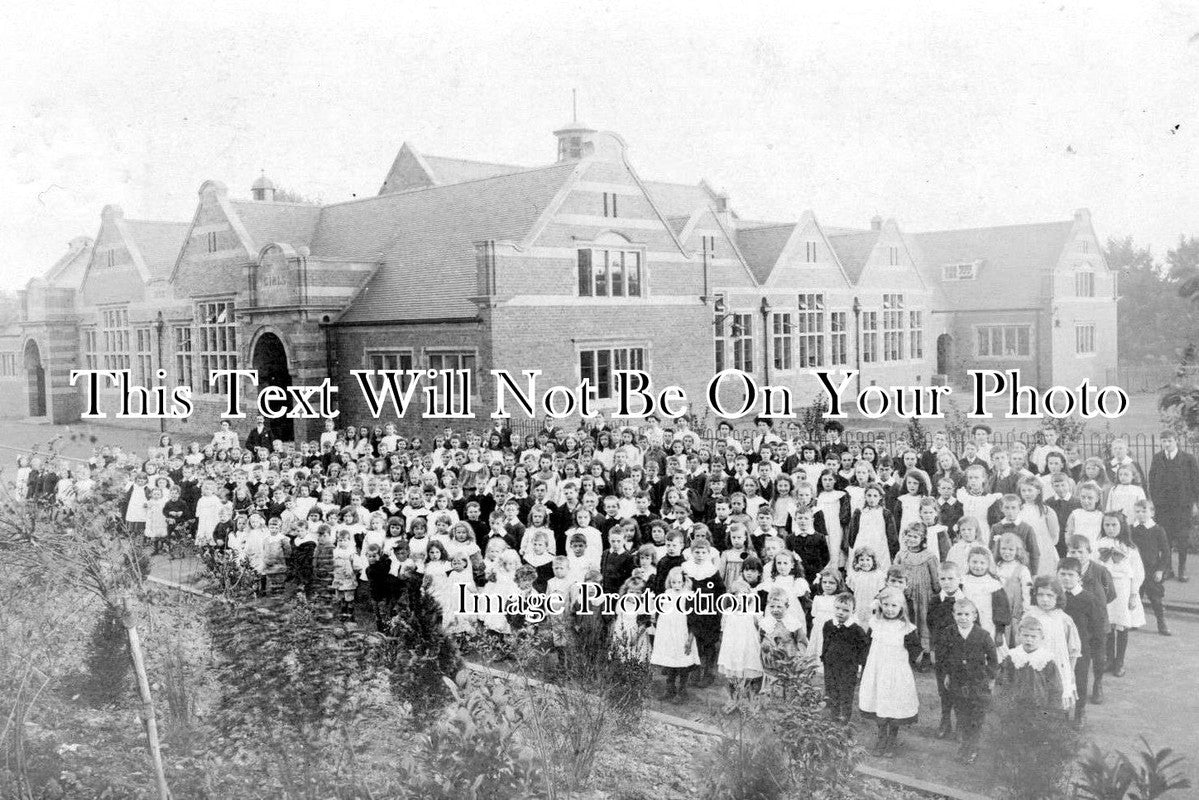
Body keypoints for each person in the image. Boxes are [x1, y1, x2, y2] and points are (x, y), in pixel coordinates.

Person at [858, 586, 921, 758]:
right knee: (879, 703)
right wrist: (863, 667)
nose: (890, 609)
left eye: (894, 605)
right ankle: (881, 738)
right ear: (880, 605)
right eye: (886, 605)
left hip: (896, 673)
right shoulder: (875, 624)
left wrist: (906, 666)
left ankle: (892, 739)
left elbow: (916, 652)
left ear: (901, 607)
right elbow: (867, 648)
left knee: (894, 705)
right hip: (877, 671)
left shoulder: (906, 628)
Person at [941, 597, 998, 763]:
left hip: (978, 684)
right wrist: (947, 674)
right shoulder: (949, 633)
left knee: (976, 717)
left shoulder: (983, 635)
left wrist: (989, 677)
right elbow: (944, 656)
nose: (963, 618)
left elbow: (993, 659)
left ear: (974, 616)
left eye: (967, 614)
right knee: (962, 715)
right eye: (959, 614)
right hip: (958, 682)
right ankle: (964, 746)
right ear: (953, 615)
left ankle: (972, 748)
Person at [1095, 512, 1145, 678]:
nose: (1110, 528)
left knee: (1122, 624)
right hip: (1104, 588)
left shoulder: (1130, 548)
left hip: (1123, 589)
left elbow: (1138, 573)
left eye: (1114, 525)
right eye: (1107, 525)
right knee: (1108, 624)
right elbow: (1093, 566)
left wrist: (1133, 594)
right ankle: (1109, 659)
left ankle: (1119, 662)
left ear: (1122, 526)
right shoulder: (1098, 544)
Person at [1057, 557, 1107, 721]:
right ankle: (1063, 713)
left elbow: (1097, 627)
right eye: (1062, 574)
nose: (1066, 578)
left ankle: (1080, 712)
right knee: (1060, 679)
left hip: (1081, 647)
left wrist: (1095, 649)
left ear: (1079, 577)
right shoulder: (1054, 597)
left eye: (1071, 575)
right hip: (1059, 645)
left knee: (1079, 679)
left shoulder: (1089, 599)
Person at [1147, 430, 1199, 582]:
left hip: (1183, 506)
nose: (1167, 444)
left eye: (1170, 440)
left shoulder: (1188, 459)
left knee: (1182, 538)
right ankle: (1167, 569)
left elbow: (1195, 482)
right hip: (1163, 507)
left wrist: (1195, 503)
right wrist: (1154, 500)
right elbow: (1152, 480)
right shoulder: (1157, 458)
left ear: (1176, 441)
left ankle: (1182, 570)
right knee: (1165, 539)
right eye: (1164, 441)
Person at [650, 566, 700, 703]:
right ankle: (669, 689)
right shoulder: (667, 594)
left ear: (684, 582)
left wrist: (690, 639)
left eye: (679, 582)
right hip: (669, 634)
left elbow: (693, 620)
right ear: (669, 582)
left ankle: (682, 691)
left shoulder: (688, 596)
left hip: (682, 634)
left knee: (683, 662)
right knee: (670, 662)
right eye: (673, 582)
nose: (676, 585)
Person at [821, 592, 868, 722]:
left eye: (846, 610)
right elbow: (826, 642)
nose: (840, 612)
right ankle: (834, 715)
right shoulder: (828, 625)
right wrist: (824, 657)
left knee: (846, 692)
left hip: (848, 667)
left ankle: (845, 716)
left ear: (853, 611)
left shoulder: (856, 630)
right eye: (838, 608)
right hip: (831, 665)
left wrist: (859, 667)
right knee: (832, 690)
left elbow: (863, 650)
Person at [716, 579, 765, 707]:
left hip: (748, 649)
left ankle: (747, 701)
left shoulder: (754, 613)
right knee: (732, 675)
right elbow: (724, 632)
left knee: (748, 674)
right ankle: (733, 699)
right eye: (736, 597)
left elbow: (760, 631)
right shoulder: (728, 613)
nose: (740, 600)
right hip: (732, 649)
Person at [1129, 499, 1172, 635]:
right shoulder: (1131, 529)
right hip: (1135, 569)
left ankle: (1161, 623)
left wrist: (1160, 570)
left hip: (1151, 570)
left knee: (1155, 598)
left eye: (1144, 511)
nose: (1141, 514)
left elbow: (1166, 552)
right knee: (1135, 595)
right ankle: (1134, 621)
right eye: (1137, 511)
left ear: (1152, 512)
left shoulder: (1158, 530)